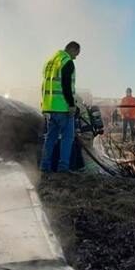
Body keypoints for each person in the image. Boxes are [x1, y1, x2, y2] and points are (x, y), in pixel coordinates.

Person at [40, 41, 81, 173]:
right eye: (76, 54)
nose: (75, 57)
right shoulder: (67, 62)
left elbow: (44, 85)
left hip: (50, 107)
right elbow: (66, 86)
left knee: (50, 138)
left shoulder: (50, 62)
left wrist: (43, 104)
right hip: (63, 108)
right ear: (72, 50)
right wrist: (71, 104)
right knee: (67, 138)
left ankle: (44, 166)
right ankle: (63, 167)